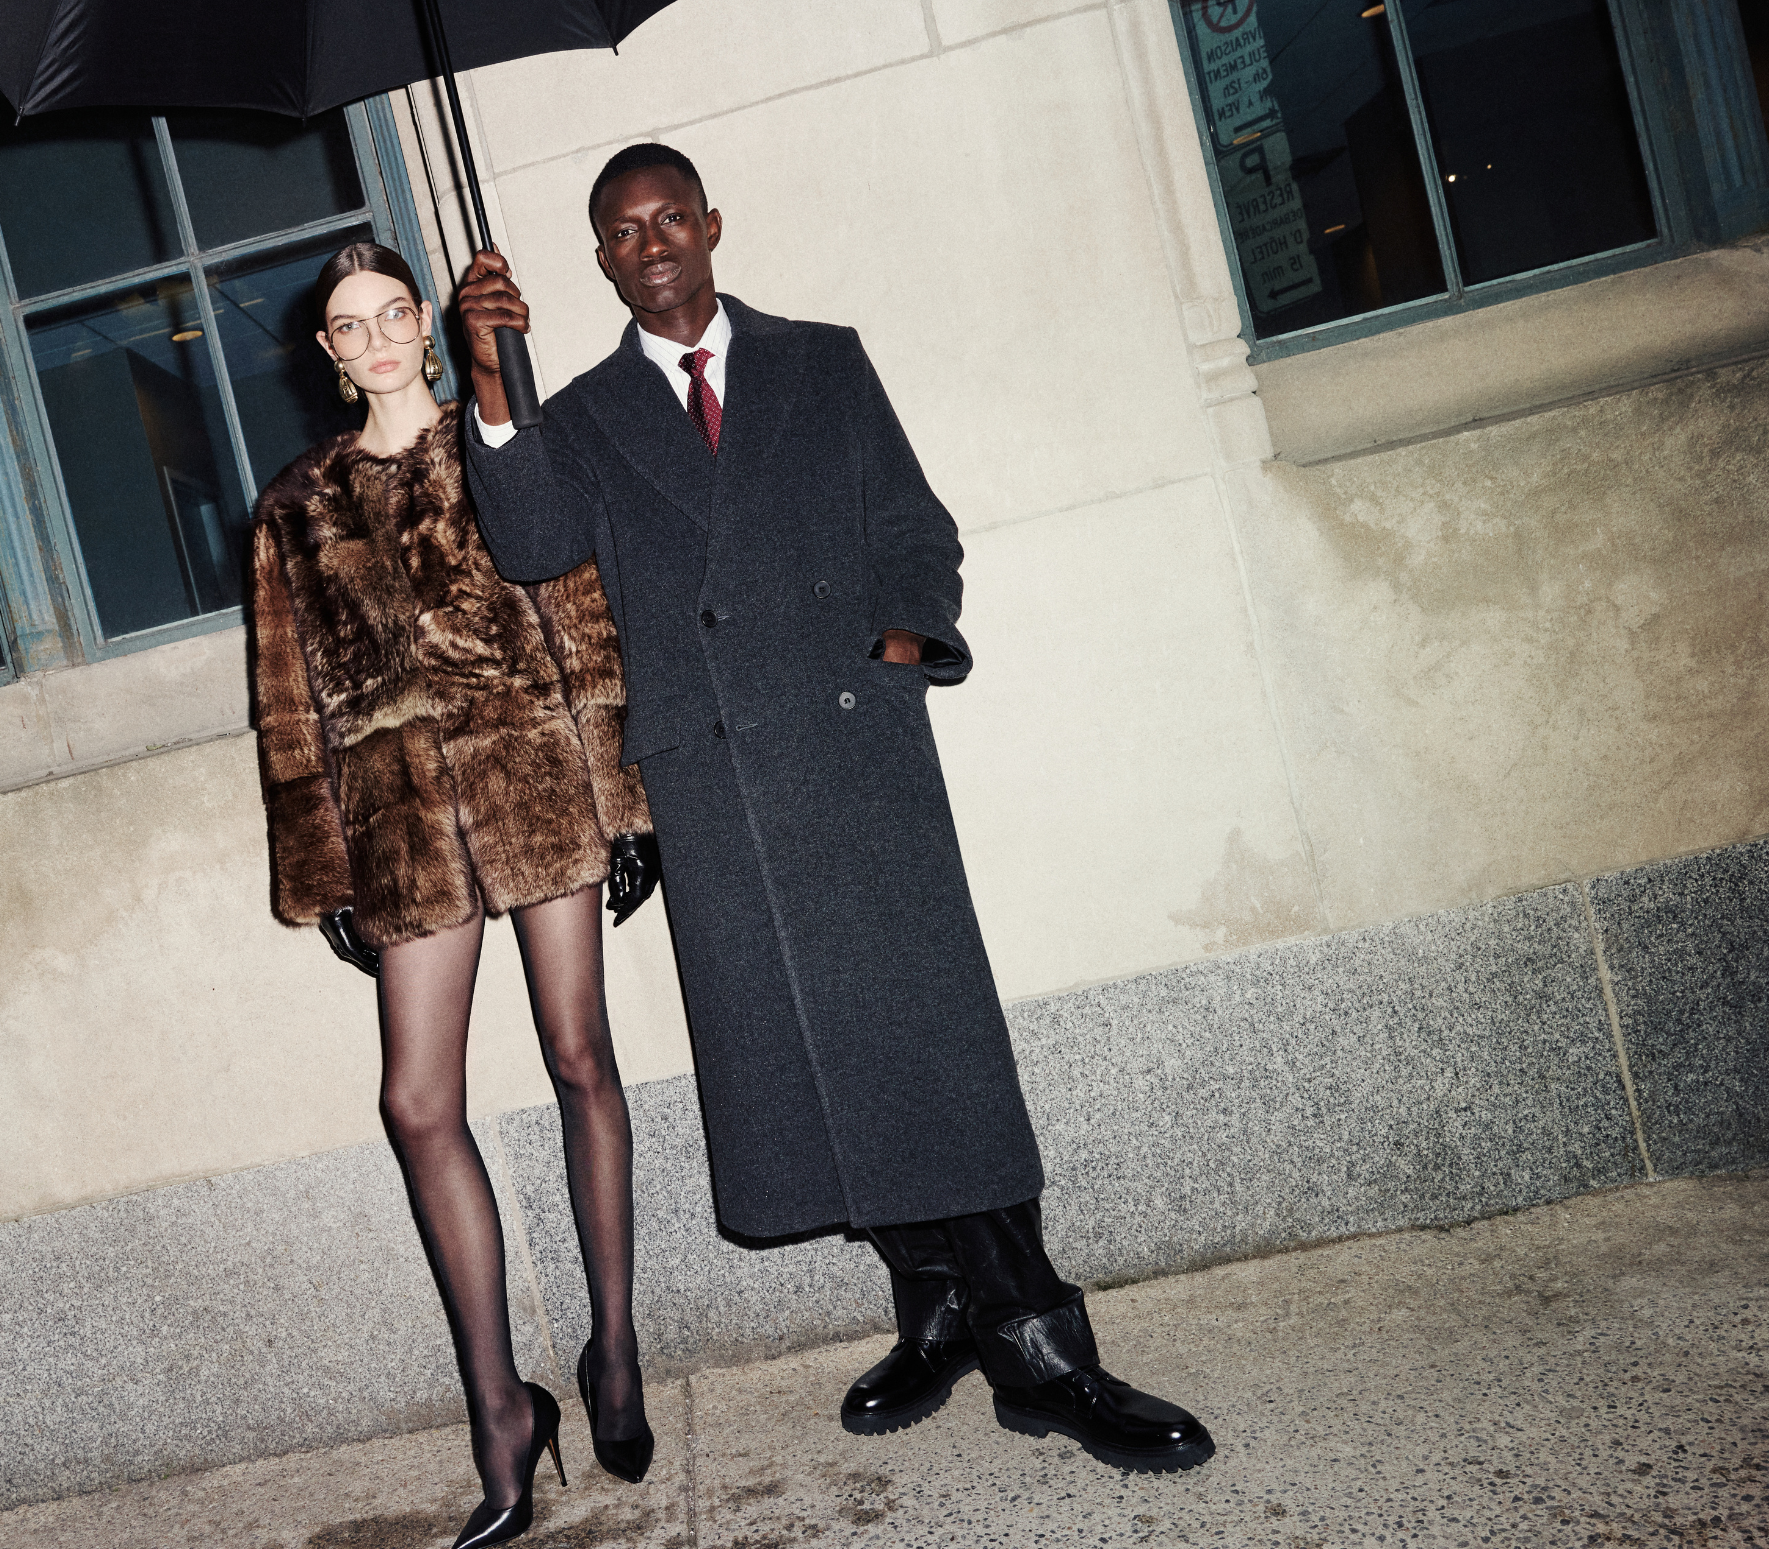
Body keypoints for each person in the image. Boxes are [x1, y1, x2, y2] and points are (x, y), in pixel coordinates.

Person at [452, 145, 1216, 1475]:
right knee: (825, 1066)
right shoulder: (573, 419)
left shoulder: (824, 361)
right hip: (724, 791)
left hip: (857, 759)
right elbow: (527, 546)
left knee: (929, 1056)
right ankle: (941, 1309)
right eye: (621, 232)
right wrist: (489, 383)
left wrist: (906, 645)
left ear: (713, 225)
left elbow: (917, 530)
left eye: (670, 217)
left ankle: (1042, 1351)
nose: (652, 244)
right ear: (600, 262)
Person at [249, 240, 670, 1548]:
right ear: (326, 352)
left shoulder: (502, 440)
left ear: (425, 321)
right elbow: (286, 702)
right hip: (400, 821)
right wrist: (321, 863)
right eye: (349, 326)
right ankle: (502, 1413)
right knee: (417, 1102)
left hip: (536, 775)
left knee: (579, 1056)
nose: (376, 339)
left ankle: (615, 1350)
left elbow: (582, 613)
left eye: (392, 313)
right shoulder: (295, 507)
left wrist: (624, 796)